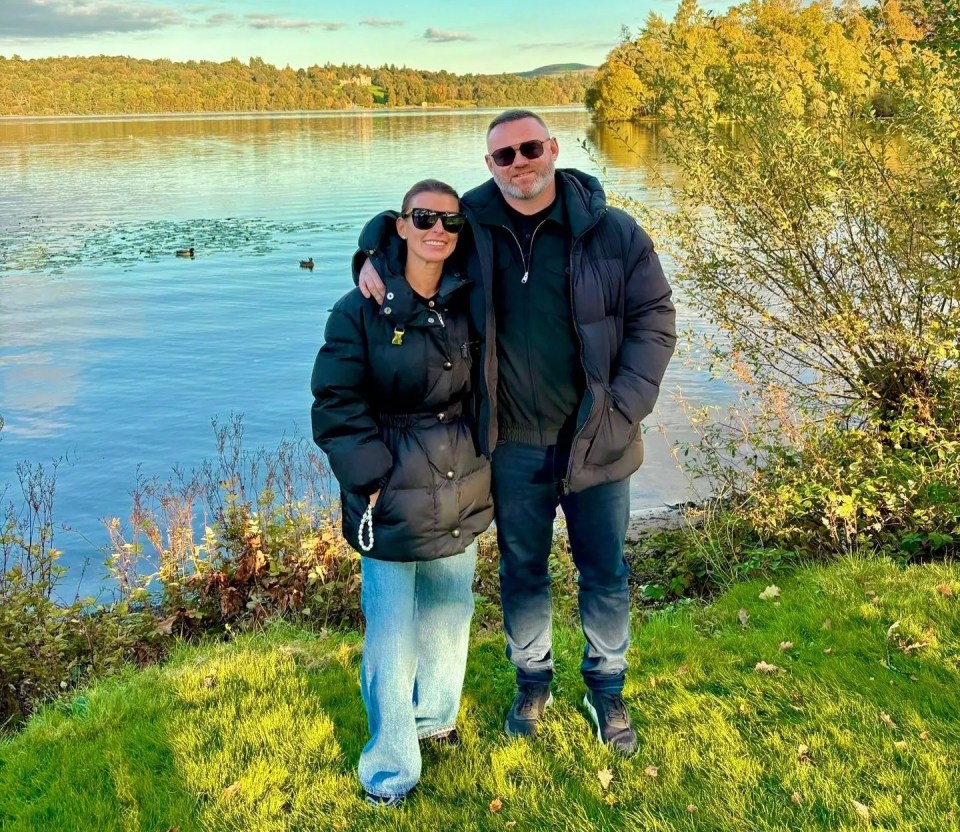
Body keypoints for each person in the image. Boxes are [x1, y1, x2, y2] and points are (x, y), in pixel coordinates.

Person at [355, 110, 678, 757]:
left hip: (599, 440)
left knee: (605, 573)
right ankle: (533, 683)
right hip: (510, 445)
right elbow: (408, 227)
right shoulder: (472, 223)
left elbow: (655, 319)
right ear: (490, 165)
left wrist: (624, 408)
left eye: (530, 148)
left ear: (553, 149)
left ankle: (606, 688)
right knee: (523, 571)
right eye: (504, 155)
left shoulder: (612, 231)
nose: (519, 163)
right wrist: (368, 254)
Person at [311, 179, 493, 807]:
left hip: (461, 480)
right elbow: (336, 402)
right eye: (423, 218)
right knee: (391, 629)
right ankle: (390, 766)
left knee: (450, 608)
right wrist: (369, 477)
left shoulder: (471, 298)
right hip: (388, 490)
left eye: (450, 221)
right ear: (400, 225)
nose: (437, 230)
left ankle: (435, 717)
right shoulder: (358, 310)